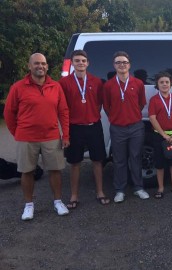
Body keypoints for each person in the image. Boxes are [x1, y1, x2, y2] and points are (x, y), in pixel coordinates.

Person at [4, 53, 70, 220]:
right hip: (26, 138)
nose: (40, 66)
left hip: (52, 136)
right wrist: (17, 133)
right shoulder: (18, 87)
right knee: (27, 172)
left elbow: (63, 111)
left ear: (47, 66)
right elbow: (9, 113)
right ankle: (28, 205)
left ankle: (57, 201)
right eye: (36, 64)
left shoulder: (55, 86)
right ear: (29, 66)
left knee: (55, 170)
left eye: (43, 63)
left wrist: (66, 135)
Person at [59, 50, 110, 209]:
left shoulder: (96, 81)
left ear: (88, 63)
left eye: (83, 60)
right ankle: (74, 195)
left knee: (97, 161)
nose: (80, 63)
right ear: (72, 63)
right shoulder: (64, 83)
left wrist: (91, 114)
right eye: (77, 61)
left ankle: (100, 192)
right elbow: (62, 108)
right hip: (75, 128)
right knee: (75, 163)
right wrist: (65, 134)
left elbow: (100, 103)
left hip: (93, 126)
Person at [103, 51, 149, 202]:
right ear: (114, 65)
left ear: (129, 65)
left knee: (135, 158)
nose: (121, 65)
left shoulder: (138, 83)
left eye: (124, 62)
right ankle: (120, 190)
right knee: (119, 160)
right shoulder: (109, 85)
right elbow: (107, 106)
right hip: (118, 128)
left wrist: (131, 115)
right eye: (118, 62)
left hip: (136, 127)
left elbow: (142, 103)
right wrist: (117, 117)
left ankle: (138, 188)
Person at [148, 72, 172, 198]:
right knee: (159, 163)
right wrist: (163, 134)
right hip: (160, 136)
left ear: (171, 84)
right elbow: (152, 118)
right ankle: (160, 188)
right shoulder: (154, 100)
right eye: (161, 82)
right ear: (157, 85)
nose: (164, 84)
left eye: (167, 82)